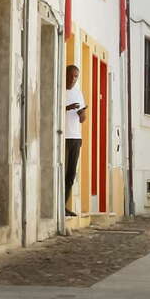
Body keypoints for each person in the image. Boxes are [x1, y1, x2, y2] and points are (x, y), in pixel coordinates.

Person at [62, 64, 86, 212]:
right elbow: (52, 109)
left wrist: (81, 113)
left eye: (76, 76)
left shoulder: (78, 93)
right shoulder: (59, 89)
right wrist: (67, 108)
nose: (73, 79)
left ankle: (63, 206)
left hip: (75, 137)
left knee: (71, 175)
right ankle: (57, 207)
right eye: (70, 75)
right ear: (65, 75)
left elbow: (83, 119)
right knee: (61, 172)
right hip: (63, 137)